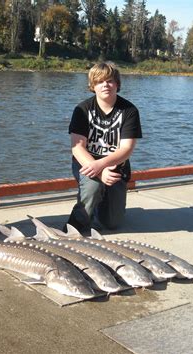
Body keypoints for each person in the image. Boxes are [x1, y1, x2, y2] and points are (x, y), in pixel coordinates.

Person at [65, 62, 142, 233]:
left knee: (112, 223)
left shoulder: (129, 111)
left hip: (116, 167)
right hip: (86, 163)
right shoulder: (82, 109)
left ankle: (100, 206)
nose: (105, 85)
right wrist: (98, 170)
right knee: (92, 186)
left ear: (117, 84)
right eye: (100, 81)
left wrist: (103, 165)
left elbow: (126, 149)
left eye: (110, 81)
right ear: (93, 86)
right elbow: (77, 148)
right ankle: (75, 224)